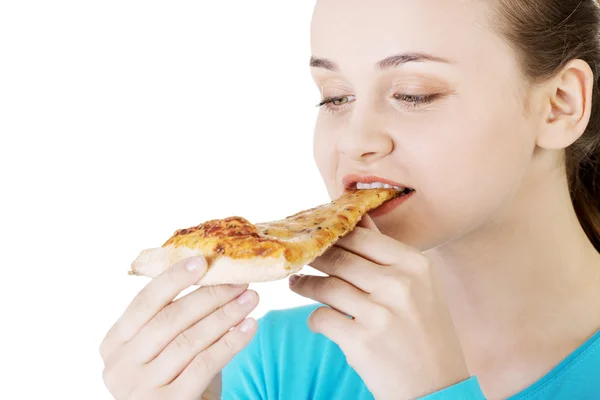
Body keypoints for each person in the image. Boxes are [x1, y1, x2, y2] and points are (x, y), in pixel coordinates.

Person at [100, 0, 600, 398]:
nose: (353, 140)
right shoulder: (274, 360)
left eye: (413, 92)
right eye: (335, 96)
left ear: (560, 105)